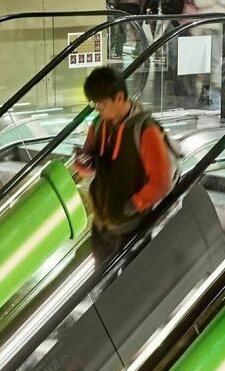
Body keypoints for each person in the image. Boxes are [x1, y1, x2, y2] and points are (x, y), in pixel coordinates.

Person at [74, 67, 174, 264]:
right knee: (101, 287)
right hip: (102, 226)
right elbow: (88, 167)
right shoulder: (98, 125)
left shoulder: (146, 131)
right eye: (94, 104)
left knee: (129, 288)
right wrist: (83, 162)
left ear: (119, 98)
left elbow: (161, 182)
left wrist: (136, 203)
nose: (97, 109)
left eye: (101, 104)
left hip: (132, 229)